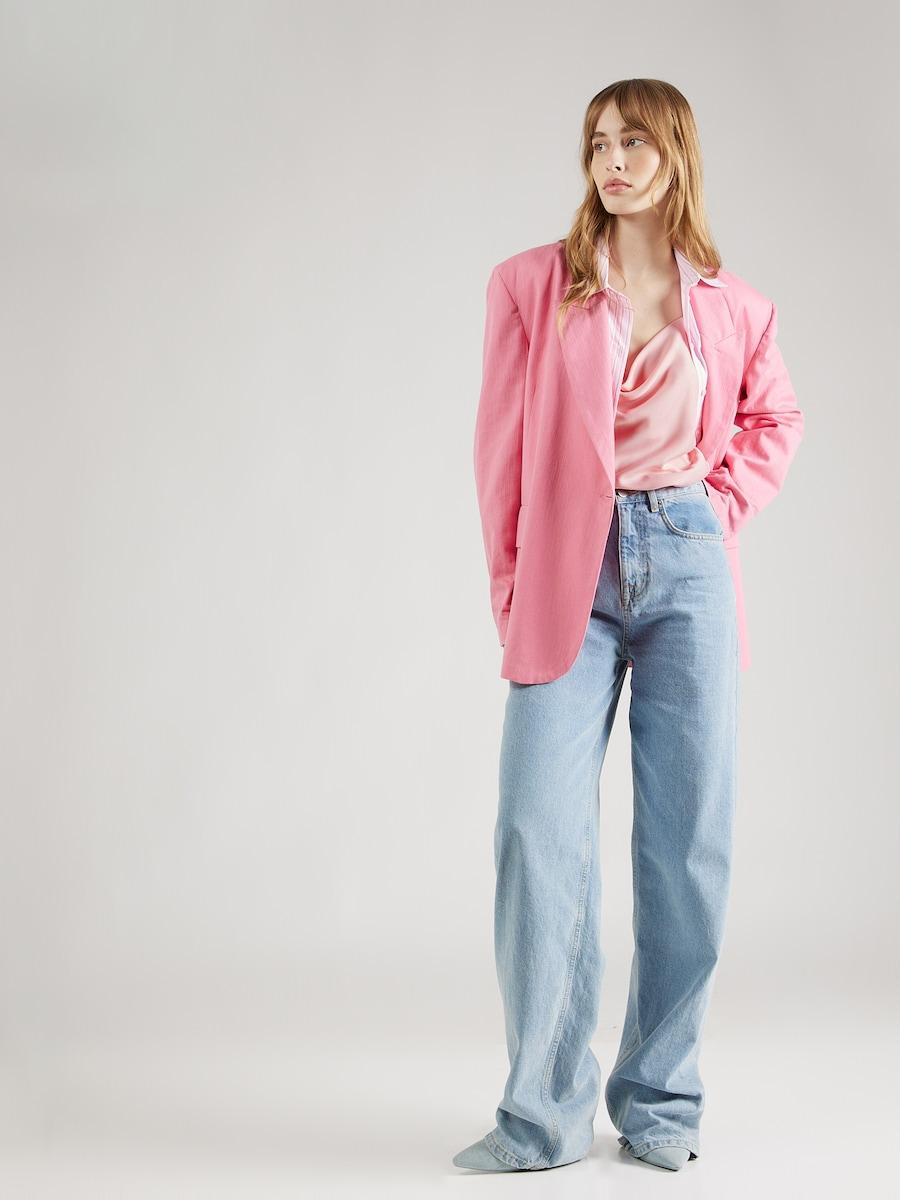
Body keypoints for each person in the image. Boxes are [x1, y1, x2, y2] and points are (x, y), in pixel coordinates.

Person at [454, 78, 804, 1174]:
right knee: (536, 833)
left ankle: (660, 1102)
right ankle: (543, 1116)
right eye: (598, 142)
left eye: (634, 142)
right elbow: (500, 453)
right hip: (571, 572)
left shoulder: (735, 306)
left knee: (686, 843)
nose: (611, 160)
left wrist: (716, 507)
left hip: (689, 564)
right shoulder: (534, 285)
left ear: (675, 155)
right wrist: (511, 589)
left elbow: (774, 416)